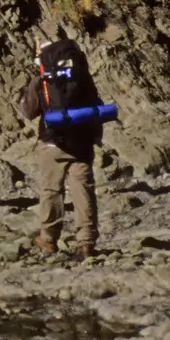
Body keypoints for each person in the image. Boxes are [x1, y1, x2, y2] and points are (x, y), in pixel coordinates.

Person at [19, 37, 103, 258]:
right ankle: (85, 242)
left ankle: (48, 240)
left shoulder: (43, 80)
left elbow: (28, 112)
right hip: (82, 141)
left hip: (52, 141)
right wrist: (95, 136)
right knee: (83, 190)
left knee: (51, 190)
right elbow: (95, 104)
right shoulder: (82, 75)